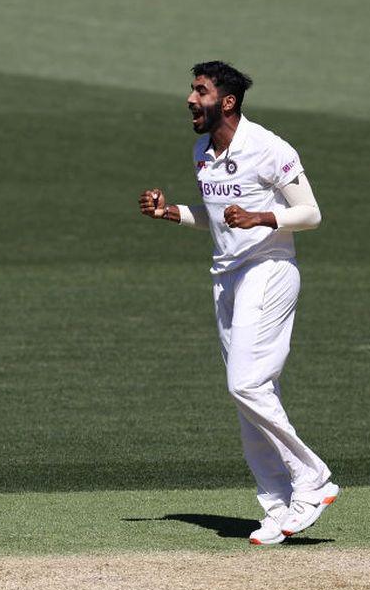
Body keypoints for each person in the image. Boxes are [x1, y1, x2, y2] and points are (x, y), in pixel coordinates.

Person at [138, 61, 338, 545]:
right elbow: (217, 220)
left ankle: (312, 479)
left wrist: (261, 216)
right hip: (225, 280)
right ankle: (276, 505)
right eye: (191, 89)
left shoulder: (268, 147)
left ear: (226, 101)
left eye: (200, 91)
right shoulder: (202, 151)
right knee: (245, 396)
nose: (190, 99)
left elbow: (311, 213)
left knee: (246, 383)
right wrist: (171, 213)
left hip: (267, 272)